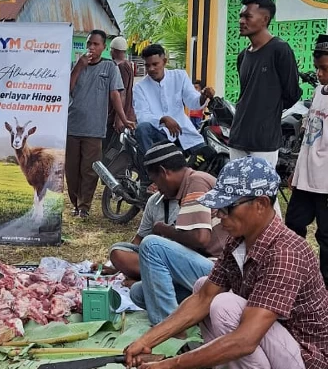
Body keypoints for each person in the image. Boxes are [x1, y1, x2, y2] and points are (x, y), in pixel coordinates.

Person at [124, 156, 328, 369]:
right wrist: (146, 340)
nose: (220, 215)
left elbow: (245, 340)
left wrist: (173, 365)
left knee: (225, 306)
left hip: (304, 358)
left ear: (261, 204)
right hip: (275, 343)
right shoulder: (238, 240)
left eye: (227, 207)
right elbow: (203, 298)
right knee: (203, 286)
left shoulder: (286, 253)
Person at [123, 141, 226, 325]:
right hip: (208, 270)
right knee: (139, 292)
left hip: (222, 271)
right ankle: (191, 315)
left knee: (152, 244)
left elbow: (201, 238)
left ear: (164, 172)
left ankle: (168, 328)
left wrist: (165, 230)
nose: (157, 188)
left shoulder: (196, 182)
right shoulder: (189, 184)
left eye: (156, 181)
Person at [66, 29, 133, 219]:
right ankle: (75, 204)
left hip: (95, 129)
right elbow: (66, 91)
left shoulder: (110, 67)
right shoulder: (76, 65)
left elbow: (115, 94)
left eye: (96, 44)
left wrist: (122, 117)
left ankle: (84, 207)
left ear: (104, 47)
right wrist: (78, 67)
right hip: (72, 127)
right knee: (71, 171)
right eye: (89, 44)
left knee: (89, 169)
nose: (91, 47)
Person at [229, 0, 301, 165]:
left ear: (265, 19)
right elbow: (245, 95)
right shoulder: (243, 56)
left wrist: (267, 113)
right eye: (240, 16)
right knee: (237, 191)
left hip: (264, 142)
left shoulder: (280, 50)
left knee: (261, 192)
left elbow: (292, 93)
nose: (241, 20)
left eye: (247, 16)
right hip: (238, 138)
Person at [286, 34, 328, 288]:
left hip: (325, 185)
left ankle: (324, 285)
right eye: (318, 68)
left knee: (325, 236)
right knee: (293, 226)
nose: (320, 74)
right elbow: (308, 138)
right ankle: (295, 274)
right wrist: (296, 173)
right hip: (306, 179)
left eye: (325, 68)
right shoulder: (317, 92)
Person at [133, 44, 214, 155]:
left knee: (212, 159)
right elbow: (142, 116)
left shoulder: (179, 76)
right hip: (159, 136)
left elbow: (192, 101)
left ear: (164, 61)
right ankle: (152, 167)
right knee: (142, 128)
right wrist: (163, 119)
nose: (151, 69)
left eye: (155, 64)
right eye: (148, 66)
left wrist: (203, 96)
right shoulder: (140, 87)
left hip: (184, 132)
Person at [97, 192, 180, 288]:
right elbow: (139, 240)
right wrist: (117, 268)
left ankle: (156, 282)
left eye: (158, 178)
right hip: (157, 260)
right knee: (117, 252)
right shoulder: (154, 200)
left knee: (137, 292)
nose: (154, 184)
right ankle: (151, 279)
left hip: (181, 262)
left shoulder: (193, 200)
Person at [103, 36, 136, 151]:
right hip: (124, 113)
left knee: (111, 148)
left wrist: (119, 118)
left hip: (118, 115)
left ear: (114, 51)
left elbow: (122, 92)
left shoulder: (120, 66)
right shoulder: (127, 64)